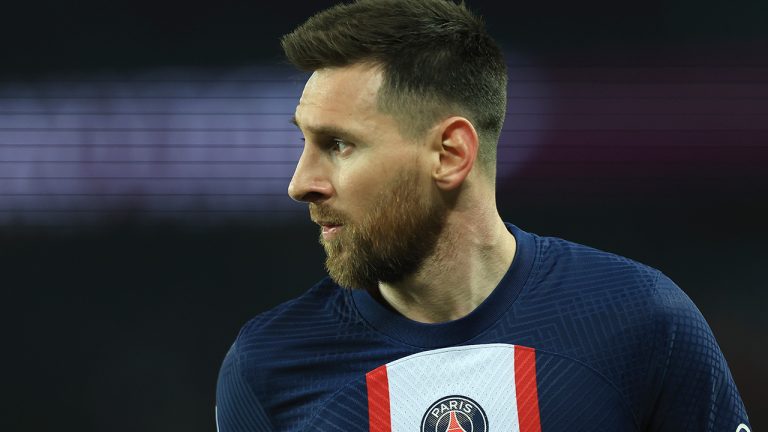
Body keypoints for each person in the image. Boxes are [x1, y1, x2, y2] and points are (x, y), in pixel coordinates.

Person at [216, 1, 751, 431]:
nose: (299, 183)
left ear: (450, 154)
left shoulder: (641, 322)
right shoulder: (268, 366)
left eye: (338, 144)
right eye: (304, 142)